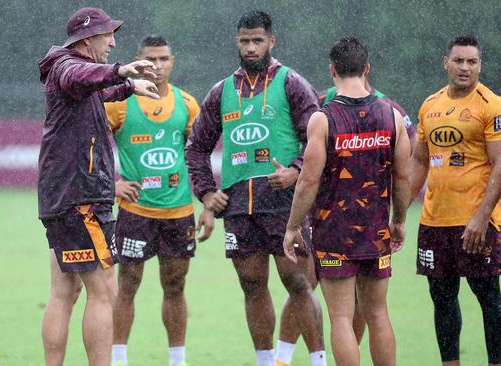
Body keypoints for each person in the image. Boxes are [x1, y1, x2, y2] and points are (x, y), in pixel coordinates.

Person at [185, 10, 326, 366]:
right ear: (237, 42)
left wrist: (296, 170)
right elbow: (196, 148)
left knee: (296, 282)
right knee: (251, 284)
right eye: (245, 41)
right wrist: (205, 192)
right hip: (238, 208)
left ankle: (318, 360)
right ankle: (266, 362)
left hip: (283, 203)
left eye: (257, 40)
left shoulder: (291, 83)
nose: (251, 48)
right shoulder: (221, 91)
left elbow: (319, 137)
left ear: (271, 42)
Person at [37, 7, 159, 366]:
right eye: (108, 35)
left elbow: (93, 89)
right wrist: (120, 70)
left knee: (64, 291)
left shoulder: (67, 73)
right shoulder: (67, 67)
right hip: (82, 197)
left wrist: (128, 85)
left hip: (62, 195)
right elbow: (83, 77)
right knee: (104, 291)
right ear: (87, 39)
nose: (113, 41)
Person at [283, 36, 411, 366]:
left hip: (335, 234)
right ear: (367, 69)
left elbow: (308, 180)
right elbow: (403, 177)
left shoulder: (323, 119)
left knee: (341, 318)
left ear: (332, 70)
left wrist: (293, 227)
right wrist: (399, 221)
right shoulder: (392, 116)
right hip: (376, 233)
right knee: (378, 314)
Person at [105, 35, 200, 366]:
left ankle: (177, 360)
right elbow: (88, 144)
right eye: (150, 60)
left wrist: (206, 198)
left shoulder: (188, 105)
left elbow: (197, 155)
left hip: (178, 211)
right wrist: (111, 185)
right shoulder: (119, 103)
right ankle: (118, 358)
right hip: (135, 211)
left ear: (173, 62)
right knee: (127, 284)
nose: (157, 66)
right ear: (138, 61)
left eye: (163, 59)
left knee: (175, 285)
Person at [410, 35, 501, 366]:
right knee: (443, 300)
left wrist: (482, 215)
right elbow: (419, 161)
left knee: (488, 296)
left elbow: (500, 163)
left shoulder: (491, 105)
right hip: (434, 221)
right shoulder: (429, 105)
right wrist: (398, 212)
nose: (465, 67)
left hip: (476, 221)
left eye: (472, 62)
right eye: (459, 60)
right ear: (445, 62)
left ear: (480, 65)